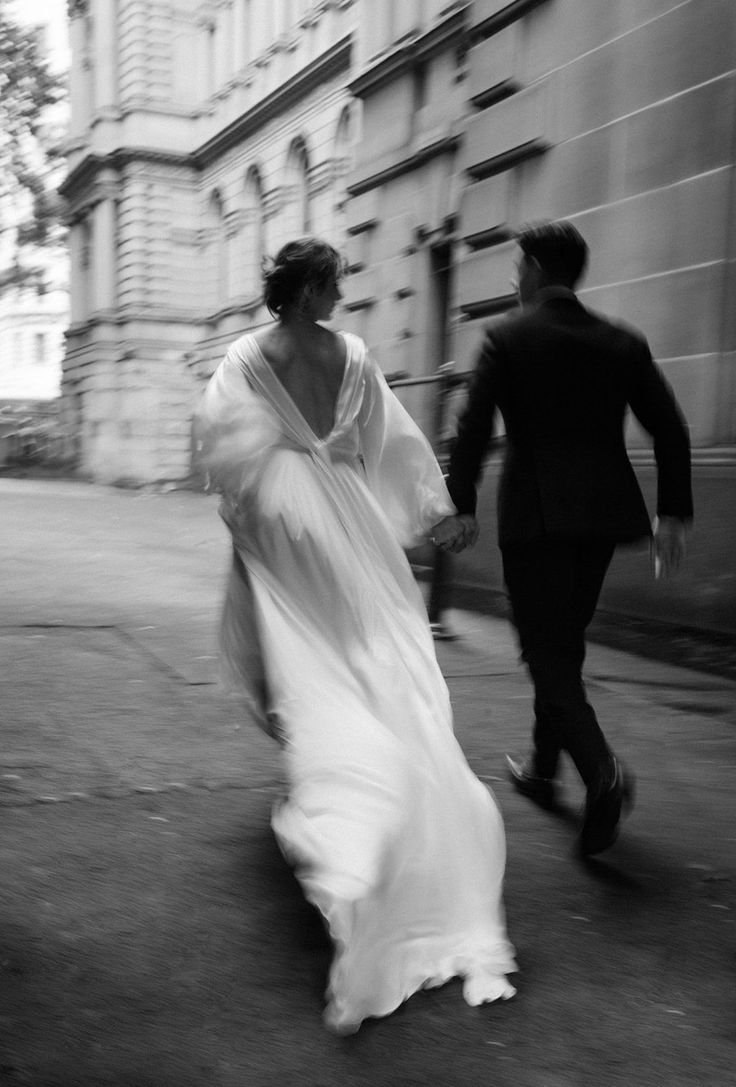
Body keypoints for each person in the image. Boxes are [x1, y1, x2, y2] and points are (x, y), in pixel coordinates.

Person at [195, 237, 516, 1034]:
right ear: (308, 289)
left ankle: (351, 812)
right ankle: (382, 797)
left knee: (316, 668)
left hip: (283, 528)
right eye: (334, 281)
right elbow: (393, 442)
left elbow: (224, 451)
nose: (342, 292)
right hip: (348, 527)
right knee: (375, 660)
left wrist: (248, 520)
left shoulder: (246, 355)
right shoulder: (354, 357)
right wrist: (433, 512)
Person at [444, 220, 693, 857]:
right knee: (563, 644)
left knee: (545, 652)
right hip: (605, 518)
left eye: (515, 265)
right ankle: (543, 769)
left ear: (530, 267)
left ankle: (600, 772)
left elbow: (471, 430)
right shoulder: (622, 341)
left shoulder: (506, 336)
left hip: (536, 519)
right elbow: (670, 428)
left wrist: (462, 504)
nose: (511, 276)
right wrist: (673, 513)